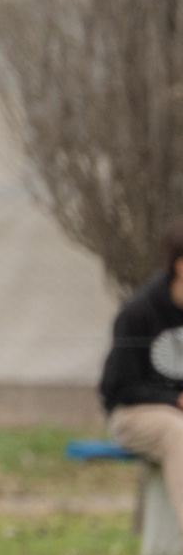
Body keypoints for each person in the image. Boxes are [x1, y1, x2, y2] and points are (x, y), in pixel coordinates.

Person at [99, 219, 183, 519]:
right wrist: (173, 400)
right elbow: (118, 388)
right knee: (178, 432)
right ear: (181, 267)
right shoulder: (138, 313)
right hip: (134, 415)